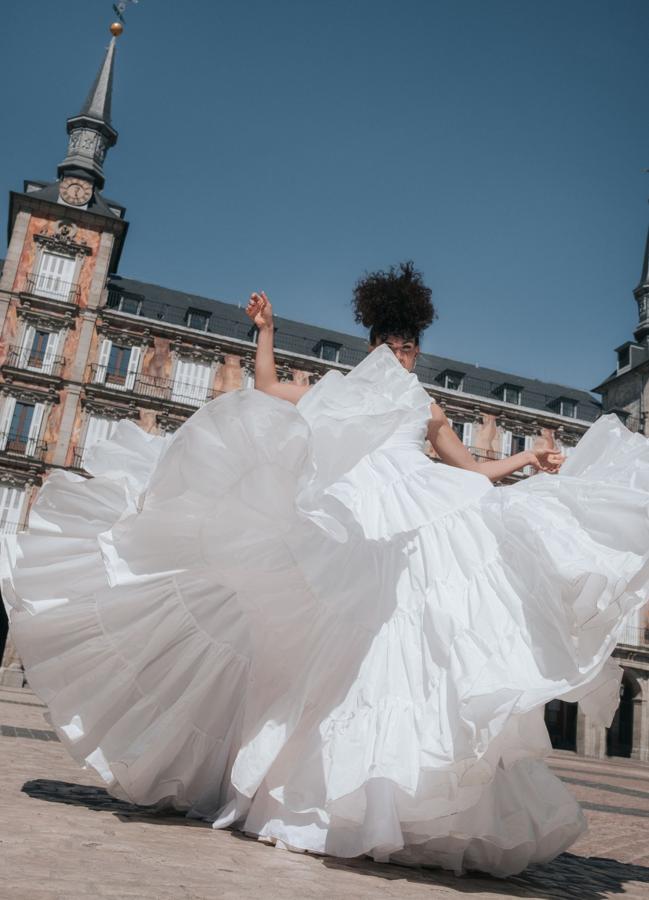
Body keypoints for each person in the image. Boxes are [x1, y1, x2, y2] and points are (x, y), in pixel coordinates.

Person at [3, 261, 648, 878]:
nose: (400, 355)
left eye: (401, 347)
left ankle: (365, 799)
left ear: (397, 346)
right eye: (398, 346)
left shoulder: (388, 401)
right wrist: (266, 334)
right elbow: (284, 398)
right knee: (375, 650)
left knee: (380, 653)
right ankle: (356, 800)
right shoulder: (379, 397)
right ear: (395, 345)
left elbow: (457, 466)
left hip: (389, 520)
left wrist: (526, 462)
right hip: (379, 519)